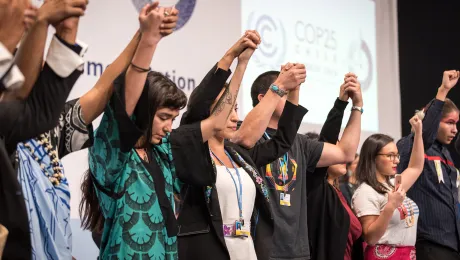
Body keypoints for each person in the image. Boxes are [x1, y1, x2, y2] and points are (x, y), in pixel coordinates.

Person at [85, 3, 255, 259]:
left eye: (173, 118)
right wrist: (149, 41)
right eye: (163, 117)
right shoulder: (114, 156)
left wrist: (237, 61)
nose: (169, 126)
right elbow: (127, 99)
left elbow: (217, 121)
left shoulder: (164, 151)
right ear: (143, 111)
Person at [177, 37, 307, 259]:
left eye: (235, 108)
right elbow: (198, 105)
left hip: (247, 251)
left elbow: (282, 141)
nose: (234, 116)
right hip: (208, 250)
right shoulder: (192, 152)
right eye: (226, 108)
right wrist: (234, 60)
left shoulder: (239, 154)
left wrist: (293, 90)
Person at [397, 70, 460, 260]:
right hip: (429, 244)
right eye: (449, 122)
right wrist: (442, 91)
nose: (455, 129)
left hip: (452, 244)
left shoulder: (446, 153)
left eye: (456, 124)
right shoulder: (411, 145)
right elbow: (423, 136)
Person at [306, 77, 363, 260]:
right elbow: (327, 137)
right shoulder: (315, 189)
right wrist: (342, 103)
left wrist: (359, 104)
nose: (343, 157)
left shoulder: (339, 193)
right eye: (334, 152)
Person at [352, 115, 424, 259]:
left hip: (408, 254)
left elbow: (416, 167)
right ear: (373, 157)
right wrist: (391, 205)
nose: (396, 160)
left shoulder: (393, 184)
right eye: (390, 155)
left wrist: (418, 133)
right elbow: (370, 238)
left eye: (397, 155)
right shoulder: (365, 192)